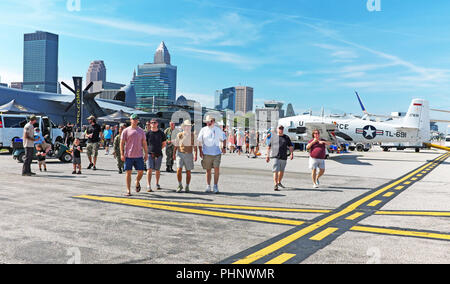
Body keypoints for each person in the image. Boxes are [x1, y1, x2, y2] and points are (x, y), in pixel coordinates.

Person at [120, 114, 148, 196]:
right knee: (128, 173)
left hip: (139, 155)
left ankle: (137, 181)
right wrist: (122, 154)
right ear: (130, 120)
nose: (135, 120)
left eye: (136, 119)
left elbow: (144, 143)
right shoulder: (126, 131)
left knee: (141, 172)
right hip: (128, 155)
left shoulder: (141, 131)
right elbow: (121, 143)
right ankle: (128, 190)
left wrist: (146, 154)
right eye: (133, 119)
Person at [197, 115, 226, 194]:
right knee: (208, 170)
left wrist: (224, 147)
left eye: (209, 121)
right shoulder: (203, 130)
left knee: (216, 169)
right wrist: (200, 151)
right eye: (207, 122)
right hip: (206, 153)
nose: (208, 123)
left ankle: (215, 186)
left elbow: (224, 138)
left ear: (213, 122)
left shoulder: (218, 130)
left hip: (216, 153)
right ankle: (208, 185)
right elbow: (199, 141)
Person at [266, 125, 294, 191]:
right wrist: (267, 155)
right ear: (277, 129)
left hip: (284, 156)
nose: (281, 129)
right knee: (275, 170)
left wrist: (292, 153)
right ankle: (275, 184)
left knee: (281, 171)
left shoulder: (286, 137)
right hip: (275, 156)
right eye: (279, 128)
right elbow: (269, 147)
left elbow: (290, 146)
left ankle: (279, 182)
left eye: (282, 128)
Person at [173, 120, 197, 193]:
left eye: (189, 126)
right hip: (180, 154)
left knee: (188, 171)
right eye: (186, 126)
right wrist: (174, 154)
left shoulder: (193, 135)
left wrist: (196, 154)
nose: (188, 127)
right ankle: (180, 185)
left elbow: (195, 146)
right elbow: (176, 145)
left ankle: (187, 186)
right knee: (178, 170)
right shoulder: (179, 134)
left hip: (189, 154)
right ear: (183, 127)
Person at [146, 118, 166, 192]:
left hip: (158, 154)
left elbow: (164, 143)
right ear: (150, 124)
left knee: (157, 170)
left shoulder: (161, 133)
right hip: (149, 153)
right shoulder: (147, 133)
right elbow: (145, 144)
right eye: (151, 122)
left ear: (157, 124)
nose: (153, 124)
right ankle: (148, 185)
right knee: (149, 169)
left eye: (154, 122)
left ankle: (157, 183)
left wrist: (158, 149)